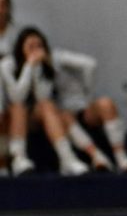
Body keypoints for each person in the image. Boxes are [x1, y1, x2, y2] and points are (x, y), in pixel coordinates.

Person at [1, 27, 90, 176]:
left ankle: (67, 158)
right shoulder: (7, 65)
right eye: (31, 46)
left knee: (47, 105)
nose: (36, 50)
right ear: (20, 47)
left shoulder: (46, 65)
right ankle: (19, 158)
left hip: (36, 118)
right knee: (18, 107)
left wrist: (37, 69)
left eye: (39, 46)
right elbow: (17, 96)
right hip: (11, 118)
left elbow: (42, 97)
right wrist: (28, 66)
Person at [48, 47, 127, 171]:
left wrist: (87, 95)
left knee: (106, 103)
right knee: (61, 114)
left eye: (38, 45)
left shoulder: (57, 58)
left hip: (82, 109)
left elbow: (91, 64)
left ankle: (121, 156)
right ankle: (97, 156)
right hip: (59, 117)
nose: (36, 52)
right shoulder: (28, 69)